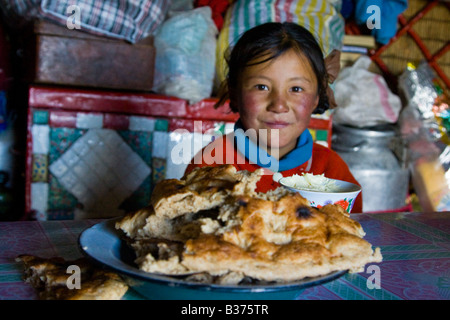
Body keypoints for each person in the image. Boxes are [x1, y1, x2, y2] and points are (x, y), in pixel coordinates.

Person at [184, 22, 363, 213]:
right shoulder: (209, 166)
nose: (278, 105)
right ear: (234, 94)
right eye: (261, 87)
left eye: (296, 89)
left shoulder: (332, 172)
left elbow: (353, 234)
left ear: (316, 99)